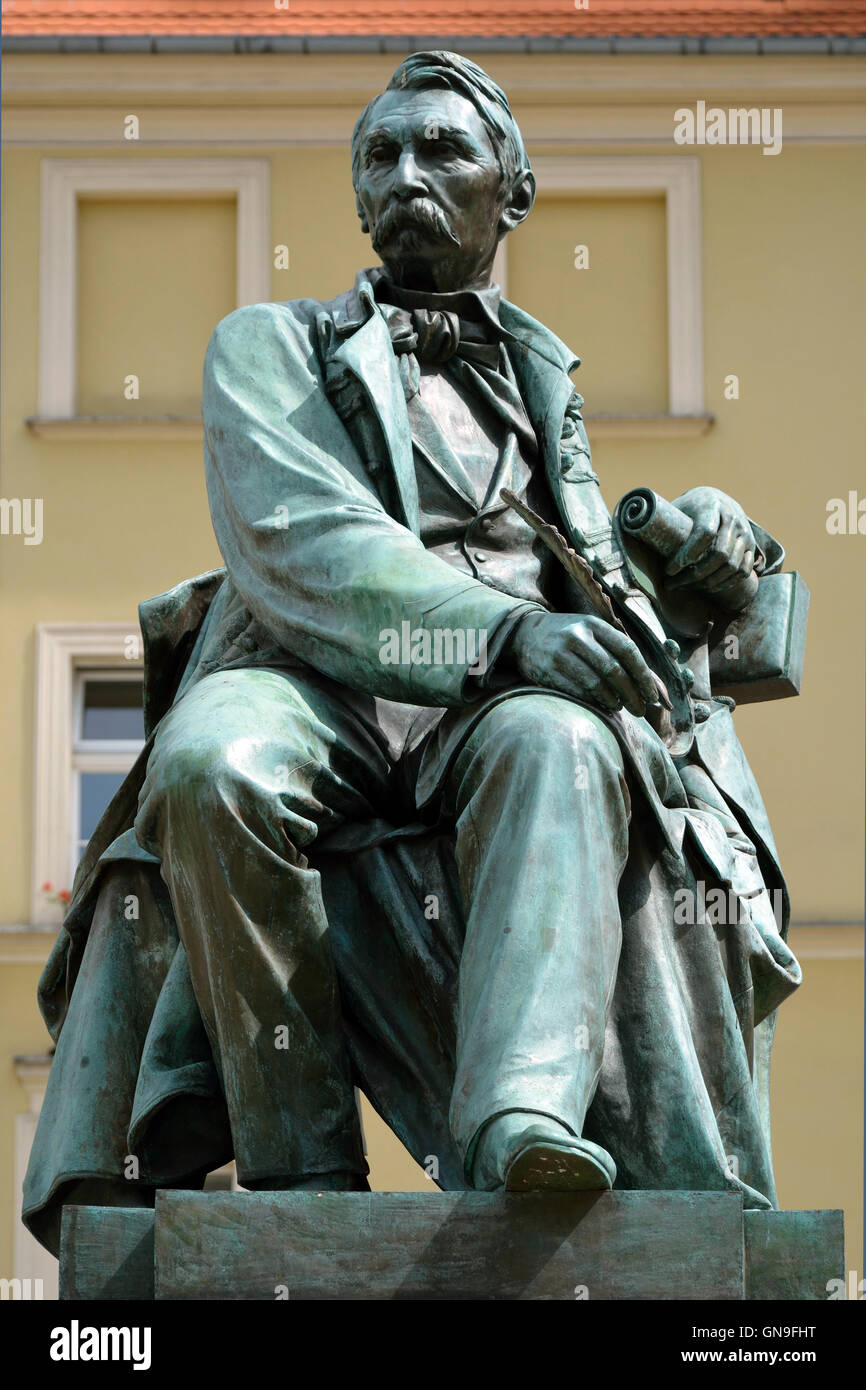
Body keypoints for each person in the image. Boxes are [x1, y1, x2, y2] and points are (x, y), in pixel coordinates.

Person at [24, 52, 801, 1254]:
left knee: (561, 739)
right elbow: (303, 542)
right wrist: (506, 635)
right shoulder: (268, 343)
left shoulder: (545, 383)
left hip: (494, 710)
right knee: (209, 760)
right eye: (380, 155)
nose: (406, 175)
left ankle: (519, 1116)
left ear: (513, 189)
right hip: (314, 677)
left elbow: (579, 570)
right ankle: (299, 1164)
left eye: (442, 149)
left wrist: (707, 546)